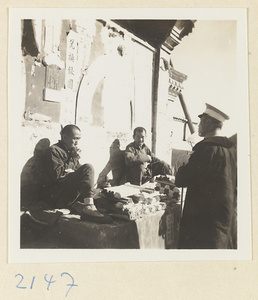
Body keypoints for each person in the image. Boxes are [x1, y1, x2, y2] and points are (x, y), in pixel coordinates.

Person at [175, 103, 237, 249]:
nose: (199, 125)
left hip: (204, 226)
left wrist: (182, 167)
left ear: (208, 122)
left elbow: (183, 179)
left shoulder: (207, 150)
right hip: (223, 223)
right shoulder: (229, 150)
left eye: (201, 121)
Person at [39, 124, 112, 224]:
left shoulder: (70, 152)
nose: (77, 142)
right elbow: (59, 175)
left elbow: (81, 174)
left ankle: (87, 207)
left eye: (79, 139)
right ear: (65, 137)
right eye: (75, 139)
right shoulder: (54, 151)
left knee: (100, 197)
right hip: (56, 197)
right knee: (88, 167)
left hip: (66, 193)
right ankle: (89, 208)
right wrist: (74, 158)